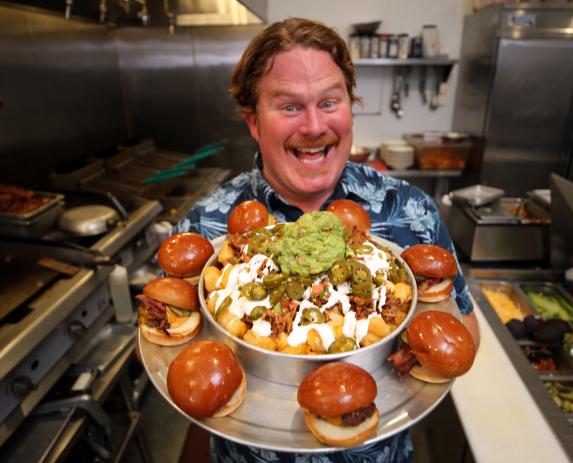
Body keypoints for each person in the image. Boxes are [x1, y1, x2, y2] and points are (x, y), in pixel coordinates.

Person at [175, 17, 479, 463]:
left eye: (330, 101)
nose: (315, 125)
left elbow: (465, 330)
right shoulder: (208, 225)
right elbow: (186, 369)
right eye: (290, 107)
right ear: (254, 122)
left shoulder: (410, 211)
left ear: (350, 107)